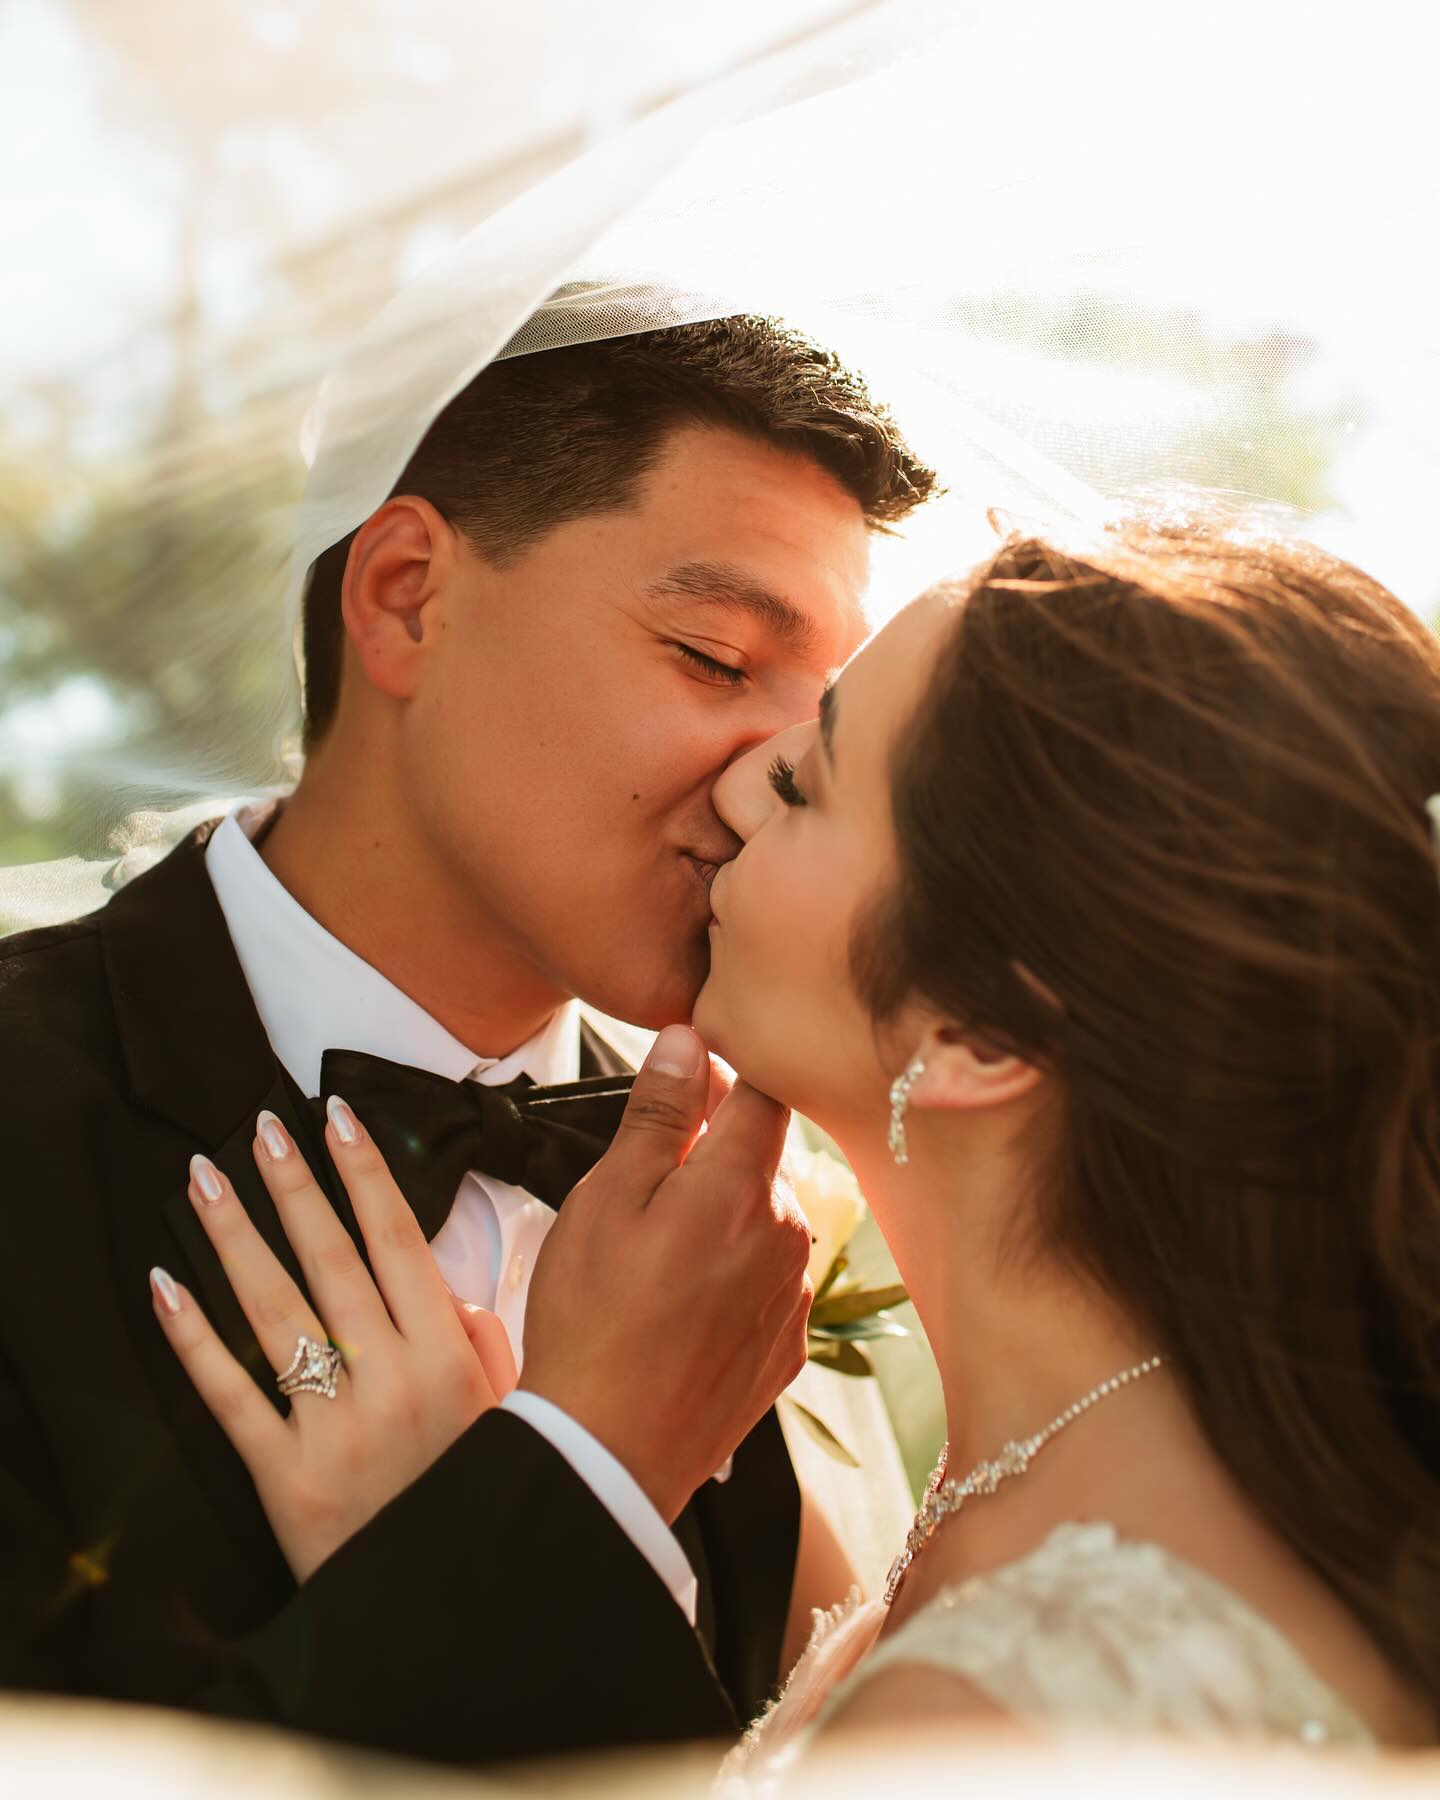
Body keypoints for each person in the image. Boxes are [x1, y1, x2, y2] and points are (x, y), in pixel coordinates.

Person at [160, 520, 1439, 1769]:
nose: (732, 786)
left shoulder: (1008, 1717)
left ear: (984, 1032)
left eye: (807, 783)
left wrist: (466, 1571)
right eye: (718, 663)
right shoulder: (1015, 1511)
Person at [0, 315, 935, 1765]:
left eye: (814, 732)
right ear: (406, 597)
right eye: (713, 656)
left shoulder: (733, 1211)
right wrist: (585, 1478)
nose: (764, 789)